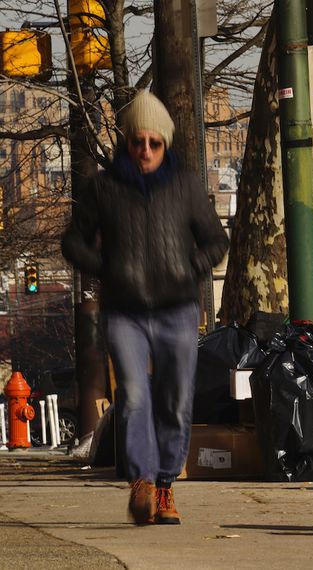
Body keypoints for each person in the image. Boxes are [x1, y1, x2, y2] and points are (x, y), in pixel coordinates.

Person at [61, 90, 229, 525]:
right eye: (138, 141)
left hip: (177, 309)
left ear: (165, 143)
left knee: (175, 399)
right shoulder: (105, 188)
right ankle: (142, 483)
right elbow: (73, 241)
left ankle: (166, 484)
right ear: (128, 142)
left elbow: (217, 241)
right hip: (125, 311)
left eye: (155, 143)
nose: (146, 151)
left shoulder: (186, 185)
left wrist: (190, 266)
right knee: (134, 395)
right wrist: (105, 267)